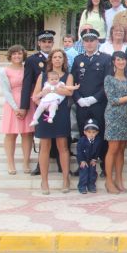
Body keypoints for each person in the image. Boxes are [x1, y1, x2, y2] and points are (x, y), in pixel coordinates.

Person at [32, 49, 74, 194]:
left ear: (64, 60)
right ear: (50, 60)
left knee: (63, 146)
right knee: (45, 146)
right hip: (45, 113)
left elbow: (69, 92)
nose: (57, 59)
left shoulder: (69, 76)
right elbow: (35, 96)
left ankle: (65, 179)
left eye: (60, 57)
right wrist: (43, 106)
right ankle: (44, 181)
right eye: (55, 57)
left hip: (61, 113)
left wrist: (51, 91)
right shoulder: (43, 75)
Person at [71, 28, 112, 177]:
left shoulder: (106, 59)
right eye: (86, 41)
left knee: (100, 134)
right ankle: (83, 164)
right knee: (84, 136)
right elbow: (73, 82)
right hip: (82, 105)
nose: (89, 43)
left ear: (97, 41)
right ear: (83, 42)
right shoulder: (78, 59)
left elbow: (107, 83)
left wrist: (94, 98)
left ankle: (104, 166)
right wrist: (78, 99)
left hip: (98, 104)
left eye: (92, 40)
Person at [20, 30, 56, 176]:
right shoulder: (32, 60)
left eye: (49, 42)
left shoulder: (59, 57)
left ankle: (58, 160)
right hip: (40, 101)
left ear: (53, 43)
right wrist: (24, 106)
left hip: (58, 99)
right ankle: (40, 165)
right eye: (44, 42)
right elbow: (27, 83)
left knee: (58, 132)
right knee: (43, 132)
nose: (47, 44)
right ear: (39, 43)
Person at [103, 51, 127, 194]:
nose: (121, 62)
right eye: (118, 60)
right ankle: (109, 181)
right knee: (113, 148)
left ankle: (119, 180)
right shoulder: (109, 79)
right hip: (114, 116)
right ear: (114, 62)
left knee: (121, 149)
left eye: (123, 59)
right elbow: (113, 100)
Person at [0, 45, 33, 174]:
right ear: (10, 56)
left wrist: (24, 107)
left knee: (27, 133)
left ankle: (26, 162)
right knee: (11, 134)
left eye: (19, 54)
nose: (17, 56)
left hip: (27, 102)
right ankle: (10, 163)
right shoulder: (4, 71)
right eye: (14, 54)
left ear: (23, 55)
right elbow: (6, 91)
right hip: (11, 104)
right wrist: (16, 108)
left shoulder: (27, 70)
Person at [76, 118, 101, 194]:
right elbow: (79, 152)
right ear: (85, 132)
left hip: (91, 159)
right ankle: (82, 187)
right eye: (89, 132)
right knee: (84, 171)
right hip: (83, 159)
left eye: (94, 132)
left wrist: (94, 159)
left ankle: (91, 185)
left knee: (92, 172)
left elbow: (97, 151)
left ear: (97, 132)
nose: (91, 134)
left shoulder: (98, 140)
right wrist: (82, 161)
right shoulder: (81, 140)